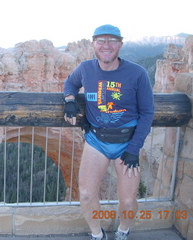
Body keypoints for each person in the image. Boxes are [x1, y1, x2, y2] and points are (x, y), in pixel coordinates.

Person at [63, 24, 154, 240]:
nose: (106, 45)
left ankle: (123, 231)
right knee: (85, 194)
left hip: (127, 142)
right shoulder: (85, 68)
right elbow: (70, 82)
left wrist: (134, 148)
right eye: (101, 41)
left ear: (120, 44)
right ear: (93, 44)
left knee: (129, 200)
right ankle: (97, 234)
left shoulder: (137, 73)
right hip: (97, 140)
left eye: (112, 41)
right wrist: (69, 100)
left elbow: (147, 112)